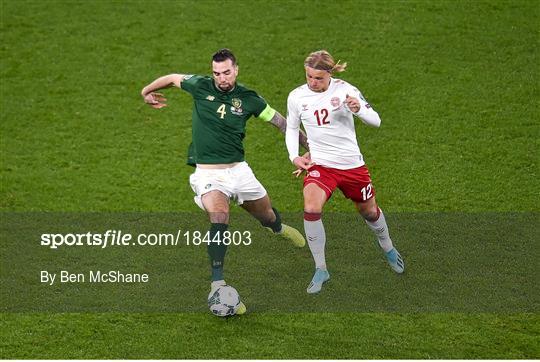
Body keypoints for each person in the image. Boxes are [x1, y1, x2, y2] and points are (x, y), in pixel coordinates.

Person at [141, 48, 308, 313]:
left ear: (236, 70)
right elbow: (173, 78)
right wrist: (146, 91)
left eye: (226, 72)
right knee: (219, 215)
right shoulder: (200, 86)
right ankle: (217, 284)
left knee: (266, 215)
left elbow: (280, 122)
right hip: (208, 174)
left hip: (239, 171)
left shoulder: (249, 99)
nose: (221, 78)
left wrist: (310, 145)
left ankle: (277, 228)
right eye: (217, 73)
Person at [285, 50, 404, 294]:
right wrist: (294, 156)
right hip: (321, 165)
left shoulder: (345, 90)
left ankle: (388, 247)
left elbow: (376, 121)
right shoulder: (297, 96)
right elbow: (292, 128)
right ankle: (321, 268)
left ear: (329, 74)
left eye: (318, 78)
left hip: (351, 166)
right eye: (309, 76)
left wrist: (359, 109)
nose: (312, 82)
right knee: (311, 207)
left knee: (369, 212)